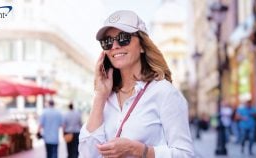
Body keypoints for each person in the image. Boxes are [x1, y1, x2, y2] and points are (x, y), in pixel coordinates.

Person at [79, 10, 194, 158]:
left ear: (142, 46)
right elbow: (87, 154)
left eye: (123, 38)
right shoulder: (105, 97)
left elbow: (185, 154)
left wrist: (138, 150)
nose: (114, 46)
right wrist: (100, 97)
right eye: (107, 41)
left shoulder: (164, 92)